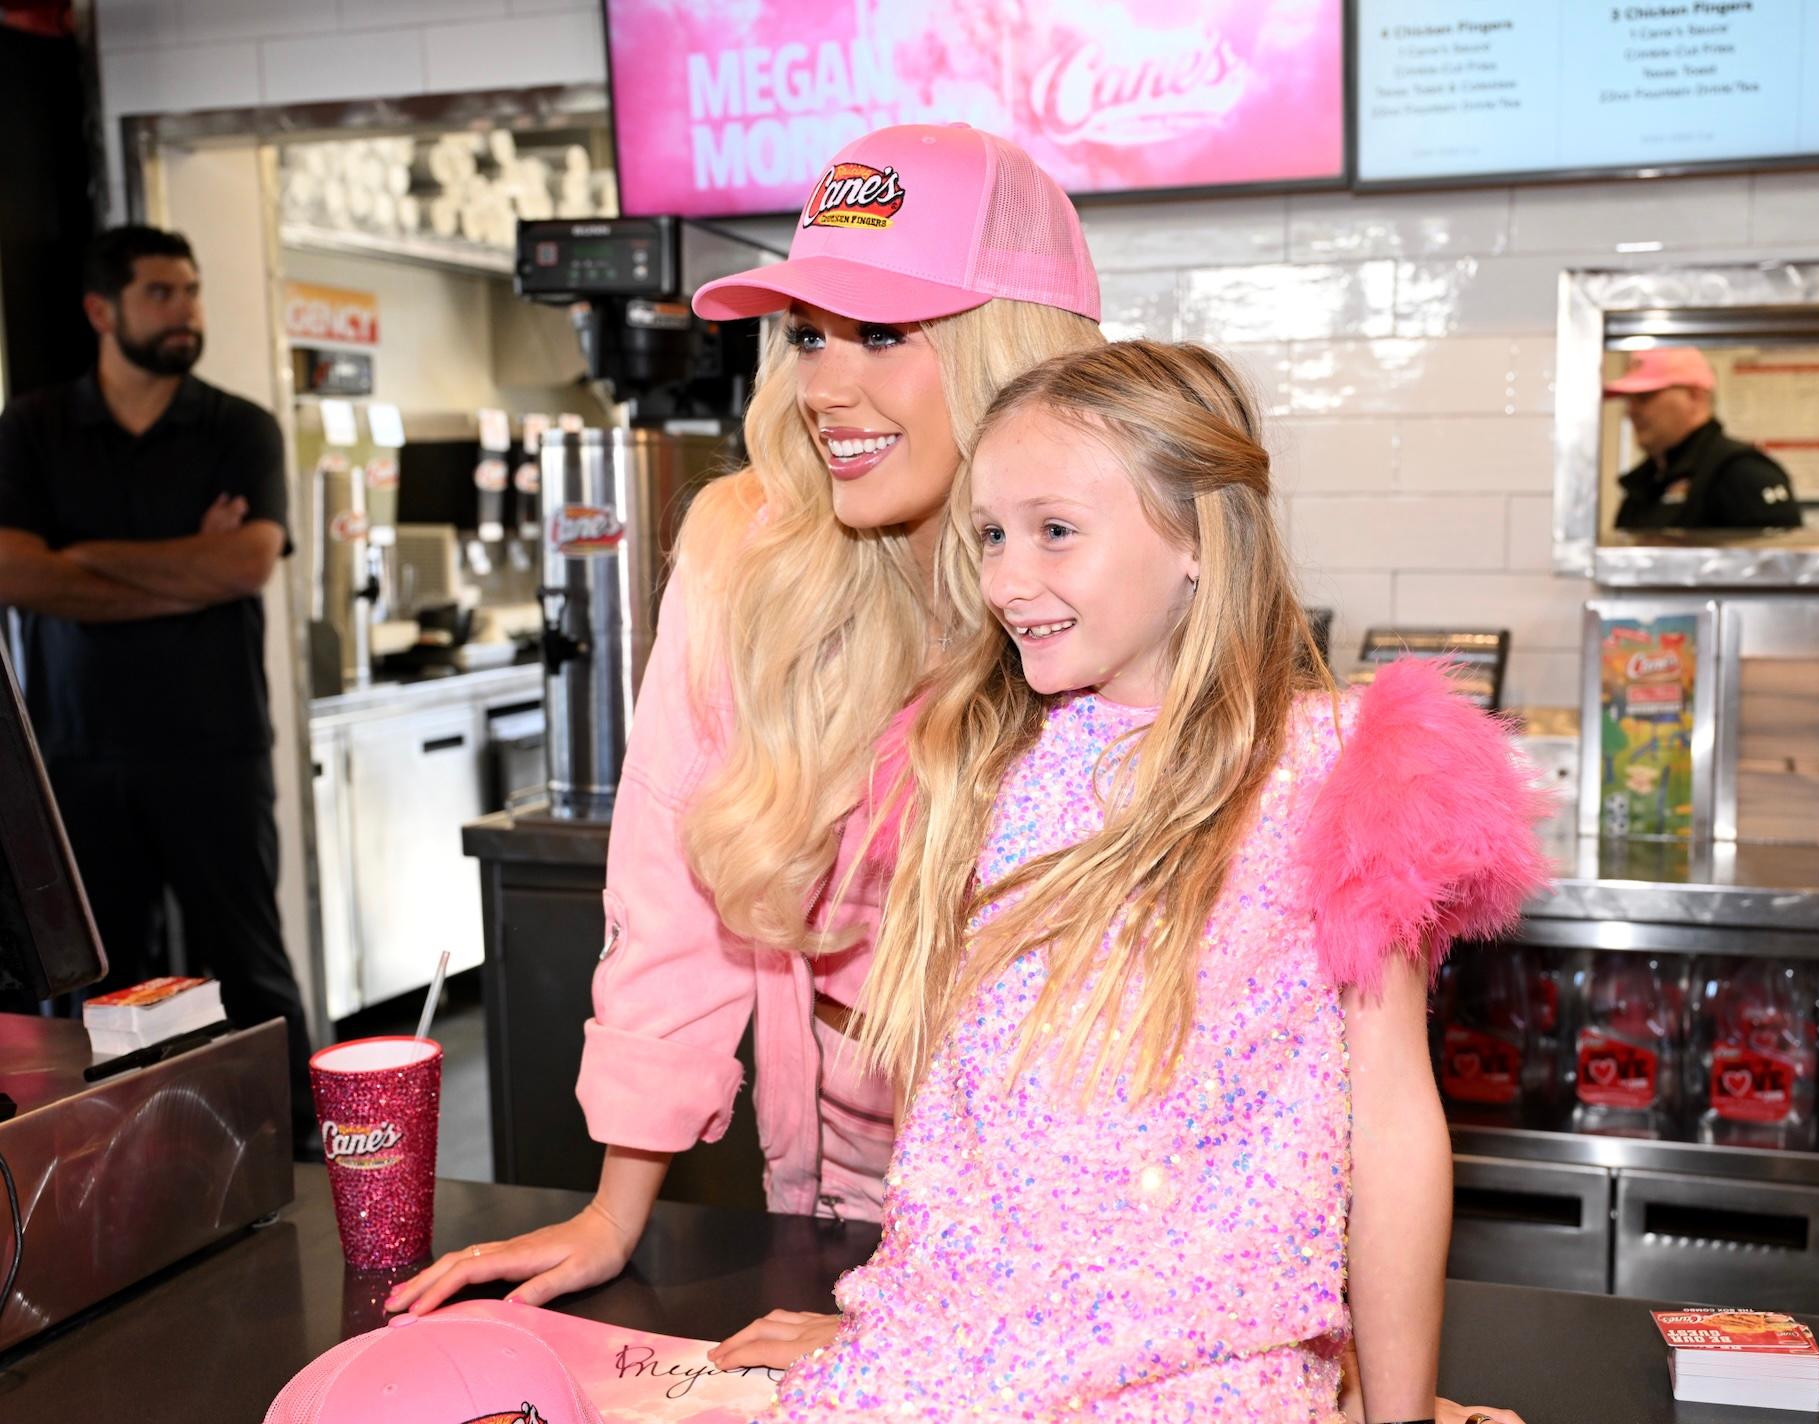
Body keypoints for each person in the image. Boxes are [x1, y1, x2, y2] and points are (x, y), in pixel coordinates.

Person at [735, 341, 1552, 1420]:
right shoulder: (981, 750)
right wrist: (897, 1315)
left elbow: (1393, 1122)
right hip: (954, 1351)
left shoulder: (1339, 772)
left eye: (1054, 530)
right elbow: (966, 1112)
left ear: (1196, 540)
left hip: (1204, 1364)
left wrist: (1397, 1412)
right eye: (990, 534)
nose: (1006, 579)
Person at [387, 122, 1107, 1318]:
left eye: (883, 332)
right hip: (823, 1177)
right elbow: (670, 883)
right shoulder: (750, 549)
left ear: (1009, 348)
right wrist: (615, 1210)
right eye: (810, 333)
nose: (826, 385)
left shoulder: (1104, 586)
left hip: (1063, 1210)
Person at [0, 224, 312, 1146]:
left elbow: (247, 565)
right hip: (75, 755)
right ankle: (109, 1153)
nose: (186, 312)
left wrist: (84, 559)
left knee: (246, 963)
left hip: (214, 745)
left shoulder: (238, 428)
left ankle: (287, 1144)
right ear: (103, 310)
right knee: (100, 979)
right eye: (161, 294)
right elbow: (14, 574)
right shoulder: (33, 429)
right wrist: (184, 567)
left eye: (192, 291)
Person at [1607, 346, 1803, 531]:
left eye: (1645, 396)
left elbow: (1780, 565)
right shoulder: (1646, 481)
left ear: (1694, 396)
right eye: (1628, 400)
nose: (1631, 412)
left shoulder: (1741, 473)